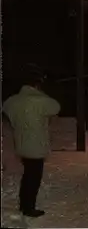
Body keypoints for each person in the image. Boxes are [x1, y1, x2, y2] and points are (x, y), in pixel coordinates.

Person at [2, 65, 60, 217]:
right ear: (37, 85)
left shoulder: (13, 101)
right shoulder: (40, 100)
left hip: (21, 144)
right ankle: (29, 207)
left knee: (27, 175)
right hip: (36, 146)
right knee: (33, 178)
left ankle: (24, 204)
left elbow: (5, 108)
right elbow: (56, 107)